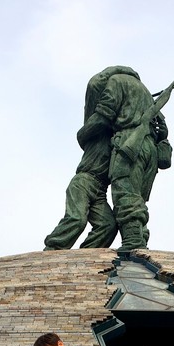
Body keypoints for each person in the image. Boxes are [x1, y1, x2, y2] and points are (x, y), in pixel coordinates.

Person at [43, 66, 143, 250]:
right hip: (84, 182)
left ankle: (85, 256)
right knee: (77, 219)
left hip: (100, 191)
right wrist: (125, 72)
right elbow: (95, 83)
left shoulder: (120, 140)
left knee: (108, 226)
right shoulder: (95, 133)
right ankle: (53, 249)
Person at [77, 67, 170, 250]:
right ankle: (140, 236)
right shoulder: (146, 94)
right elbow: (162, 130)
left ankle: (133, 241)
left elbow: (104, 116)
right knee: (138, 198)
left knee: (124, 192)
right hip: (149, 149)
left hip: (129, 143)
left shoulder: (116, 82)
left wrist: (83, 133)